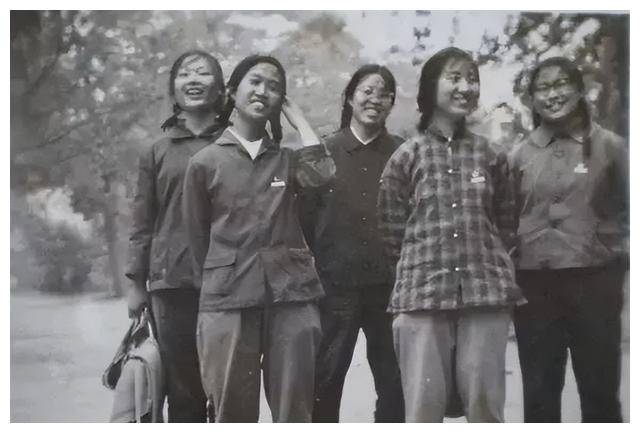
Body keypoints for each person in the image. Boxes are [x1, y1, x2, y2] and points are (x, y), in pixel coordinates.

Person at [182, 54, 336, 423]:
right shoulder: (204, 163)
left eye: (274, 87)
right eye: (255, 81)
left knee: (295, 410)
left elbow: (323, 174)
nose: (263, 91)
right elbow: (196, 239)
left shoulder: (287, 160)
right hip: (228, 298)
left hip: (292, 295)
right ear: (232, 92)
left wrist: (297, 118)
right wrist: (222, 279)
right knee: (232, 412)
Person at [377, 47, 525, 422]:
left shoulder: (491, 155)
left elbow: (506, 223)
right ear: (431, 86)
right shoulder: (406, 156)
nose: (466, 87)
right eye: (455, 77)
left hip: (485, 294)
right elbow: (392, 232)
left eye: (472, 79)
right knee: (423, 409)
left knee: (485, 409)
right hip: (421, 297)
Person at [511, 56, 628, 422]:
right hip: (534, 287)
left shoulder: (610, 146)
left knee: (599, 391)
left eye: (561, 84)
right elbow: (506, 215)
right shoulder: (518, 155)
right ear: (532, 100)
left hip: (595, 283)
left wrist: (612, 250)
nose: (553, 94)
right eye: (543, 88)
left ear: (579, 89)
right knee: (539, 394)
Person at [299, 64, 405, 422]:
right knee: (325, 381)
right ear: (349, 97)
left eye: (384, 93)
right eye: (367, 91)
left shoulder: (402, 153)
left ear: (392, 103)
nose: (375, 99)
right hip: (335, 289)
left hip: (389, 289)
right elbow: (305, 219)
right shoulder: (324, 152)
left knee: (395, 385)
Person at [125, 49, 227, 422]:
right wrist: (136, 283)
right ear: (174, 89)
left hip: (230, 282)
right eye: (185, 73)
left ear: (221, 90)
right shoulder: (156, 150)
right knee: (182, 392)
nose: (194, 79)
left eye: (203, 72)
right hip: (172, 284)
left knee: (228, 388)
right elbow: (142, 221)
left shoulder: (234, 143)